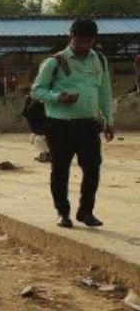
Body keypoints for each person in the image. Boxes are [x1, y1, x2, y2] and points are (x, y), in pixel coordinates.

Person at [31, 18, 114, 229]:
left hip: (88, 124)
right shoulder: (55, 62)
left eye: (87, 41)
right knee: (60, 170)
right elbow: (37, 90)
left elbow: (104, 92)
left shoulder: (99, 61)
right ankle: (62, 212)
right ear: (71, 37)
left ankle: (86, 211)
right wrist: (59, 97)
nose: (82, 45)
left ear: (93, 40)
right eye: (79, 40)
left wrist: (109, 120)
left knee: (92, 169)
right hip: (60, 126)